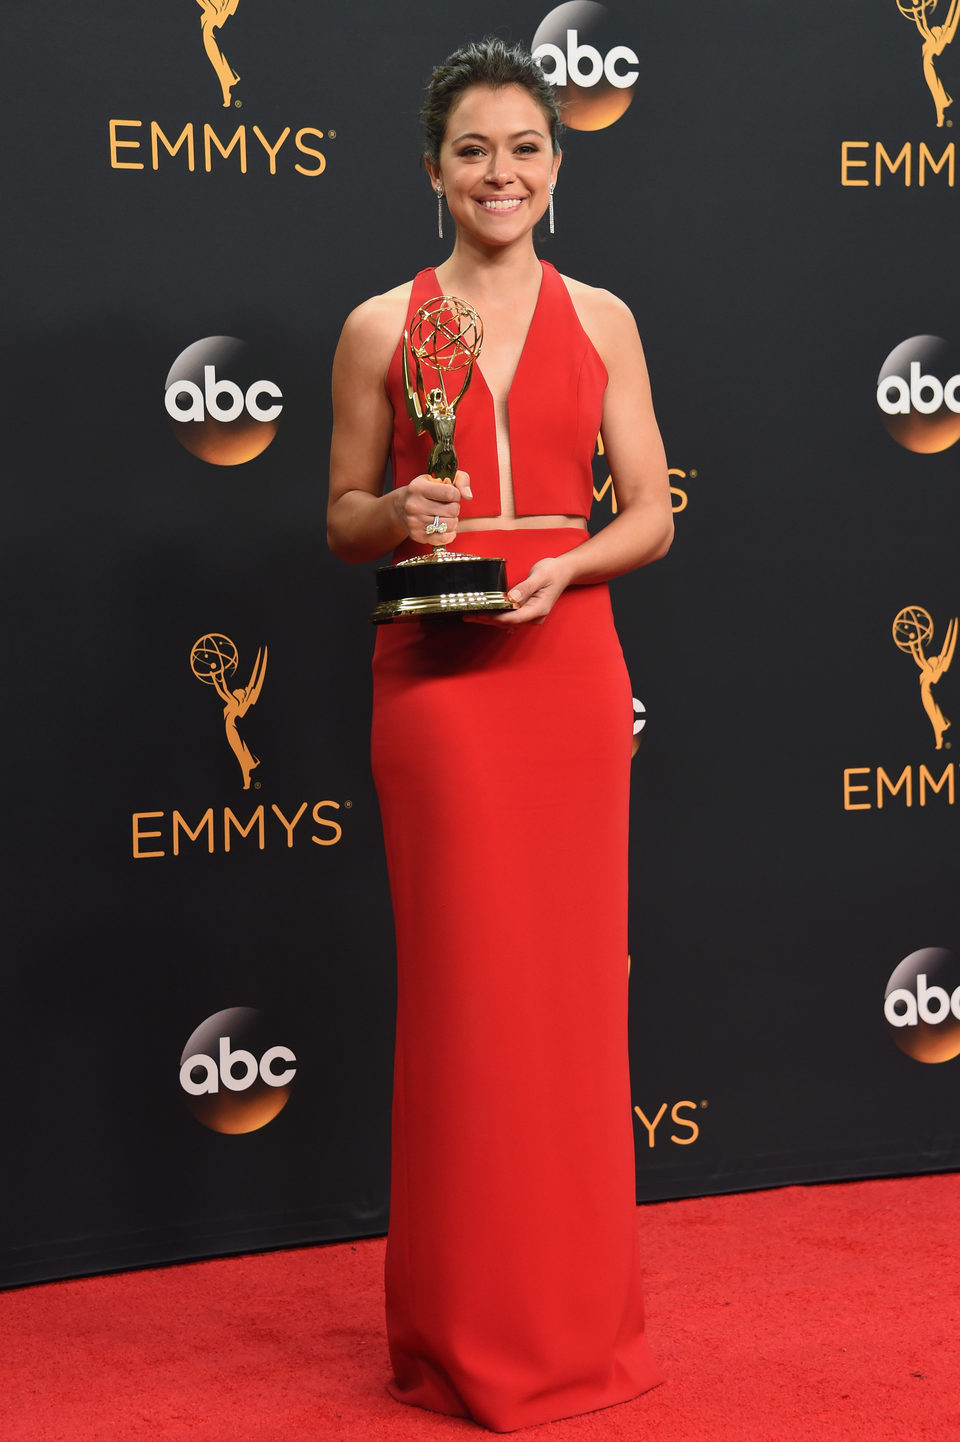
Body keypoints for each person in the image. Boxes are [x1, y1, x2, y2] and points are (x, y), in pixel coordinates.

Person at [327, 37, 674, 1433]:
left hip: (568, 660)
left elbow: (650, 510)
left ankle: (580, 1325)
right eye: (473, 149)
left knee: (577, 1001)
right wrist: (402, 516)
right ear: (433, 169)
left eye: (524, 146)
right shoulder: (376, 328)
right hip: (439, 674)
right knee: (470, 1002)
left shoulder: (607, 317)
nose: (501, 171)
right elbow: (340, 516)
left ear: (557, 161)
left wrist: (570, 567)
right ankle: (460, 1334)